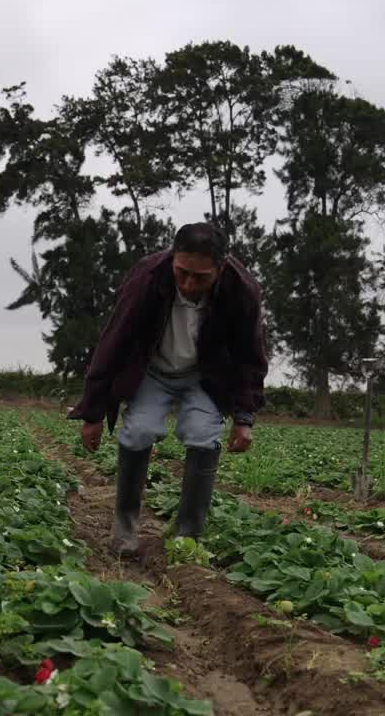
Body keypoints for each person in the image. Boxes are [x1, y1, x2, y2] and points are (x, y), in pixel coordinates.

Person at [68, 222, 268, 555]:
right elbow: (113, 344)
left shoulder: (242, 290)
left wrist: (244, 417)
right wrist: (93, 411)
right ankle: (125, 530)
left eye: (201, 277)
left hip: (205, 377)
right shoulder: (146, 279)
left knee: (203, 435)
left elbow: (250, 356)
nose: (189, 283)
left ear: (221, 267)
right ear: (173, 258)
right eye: (182, 272)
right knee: (137, 432)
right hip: (153, 371)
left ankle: (187, 538)